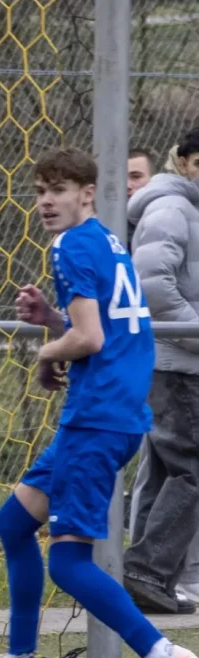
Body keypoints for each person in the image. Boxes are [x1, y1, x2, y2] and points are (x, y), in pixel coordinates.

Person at [0, 148, 198, 658]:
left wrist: (45, 350)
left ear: (88, 193)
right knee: (13, 524)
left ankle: (161, 654)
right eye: (40, 190)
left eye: (59, 189)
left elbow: (89, 340)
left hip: (97, 418)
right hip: (106, 412)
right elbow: (101, 331)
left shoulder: (70, 247)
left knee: (68, 561)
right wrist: (52, 323)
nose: (46, 201)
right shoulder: (107, 242)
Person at [123, 145, 199, 614]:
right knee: (192, 468)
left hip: (177, 360)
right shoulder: (172, 207)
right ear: (187, 160)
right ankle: (147, 568)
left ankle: (148, 581)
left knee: (169, 469)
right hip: (175, 362)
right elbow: (152, 284)